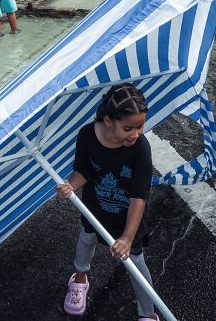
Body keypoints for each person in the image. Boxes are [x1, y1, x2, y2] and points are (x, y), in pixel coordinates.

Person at [56, 84, 158, 320]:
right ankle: (79, 279)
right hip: (95, 209)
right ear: (109, 120)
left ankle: (148, 313)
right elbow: (83, 171)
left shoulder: (140, 148)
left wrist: (127, 237)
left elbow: (139, 195)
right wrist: (71, 185)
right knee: (87, 238)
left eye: (140, 126)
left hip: (128, 220)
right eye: (128, 128)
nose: (136, 134)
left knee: (136, 264)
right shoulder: (87, 135)